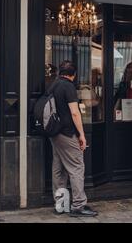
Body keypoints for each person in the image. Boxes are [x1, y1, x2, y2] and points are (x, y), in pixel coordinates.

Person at [50, 60, 98, 217]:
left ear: (60, 72)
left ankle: (61, 204)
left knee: (59, 168)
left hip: (54, 132)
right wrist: (82, 135)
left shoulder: (53, 85)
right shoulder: (68, 86)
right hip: (67, 133)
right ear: (74, 74)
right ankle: (78, 205)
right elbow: (75, 113)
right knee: (77, 167)